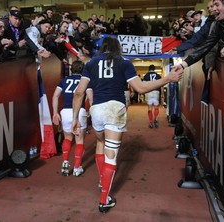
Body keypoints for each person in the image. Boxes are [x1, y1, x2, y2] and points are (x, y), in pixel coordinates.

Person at [71, 36, 183, 213]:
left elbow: (79, 93)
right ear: (117, 47)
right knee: (111, 154)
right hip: (115, 108)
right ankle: (104, 199)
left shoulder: (91, 63)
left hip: (97, 109)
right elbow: (141, 88)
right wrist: (167, 78)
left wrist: (76, 117)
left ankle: (102, 181)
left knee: (100, 143)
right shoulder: (124, 62)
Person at [176, 0, 224, 72]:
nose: (214, 9)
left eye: (217, 4)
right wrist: (183, 65)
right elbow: (207, 45)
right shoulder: (219, 24)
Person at [52, 61, 93, 177]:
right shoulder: (86, 81)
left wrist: (55, 112)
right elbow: (90, 98)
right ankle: (76, 168)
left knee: (68, 138)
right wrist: (90, 111)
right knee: (79, 140)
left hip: (65, 112)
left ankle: (65, 161)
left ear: (71, 70)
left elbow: (55, 95)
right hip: (79, 111)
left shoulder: (64, 81)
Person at [143, 65, 162, 129]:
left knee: (150, 108)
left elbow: (144, 85)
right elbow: (161, 85)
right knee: (156, 107)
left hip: (149, 92)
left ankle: (151, 123)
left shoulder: (146, 76)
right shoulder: (158, 76)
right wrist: (162, 94)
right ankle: (156, 119)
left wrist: (142, 93)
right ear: (154, 69)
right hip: (156, 92)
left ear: (149, 69)